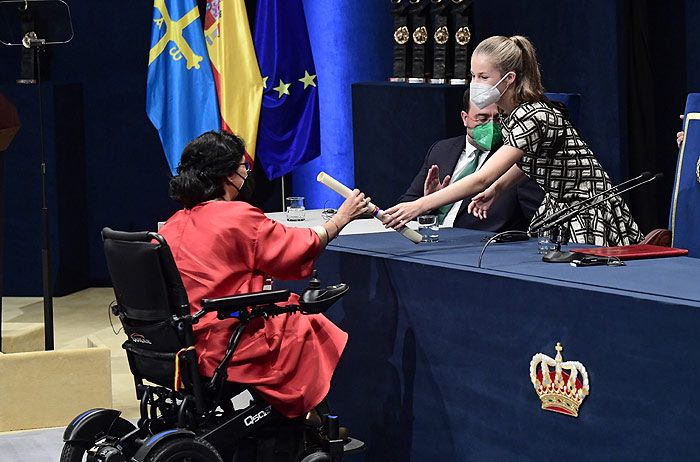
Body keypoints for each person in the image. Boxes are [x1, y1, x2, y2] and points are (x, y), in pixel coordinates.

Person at [158, 130, 370, 419]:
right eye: (243, 166)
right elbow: (295, 249)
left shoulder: (172, 223)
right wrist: (340, 220)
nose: (247, 172)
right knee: (307, 323)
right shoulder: (237, 217)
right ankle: (304, 417)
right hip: (220, 342)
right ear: (228, 176)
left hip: (176, 340)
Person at [385, 35, 643, 246]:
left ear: (509, 79)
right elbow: (526, 160)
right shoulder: (512, 114)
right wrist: (497, 190)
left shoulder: (531, 114)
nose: (475, 84)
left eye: (483, 77)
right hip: (558, 210)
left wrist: (419, 205)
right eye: (473, 75)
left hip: (584, 212)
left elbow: (481, 178)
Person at [397, 88, 544, 231]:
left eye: (499, 118)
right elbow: (406, 206)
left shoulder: (513, 159)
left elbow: (538, 223)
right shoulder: (441, 150)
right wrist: (431, 202)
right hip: (432, 240)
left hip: (480, 249)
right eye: (482, 118)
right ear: (465, 118)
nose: (491, 126)